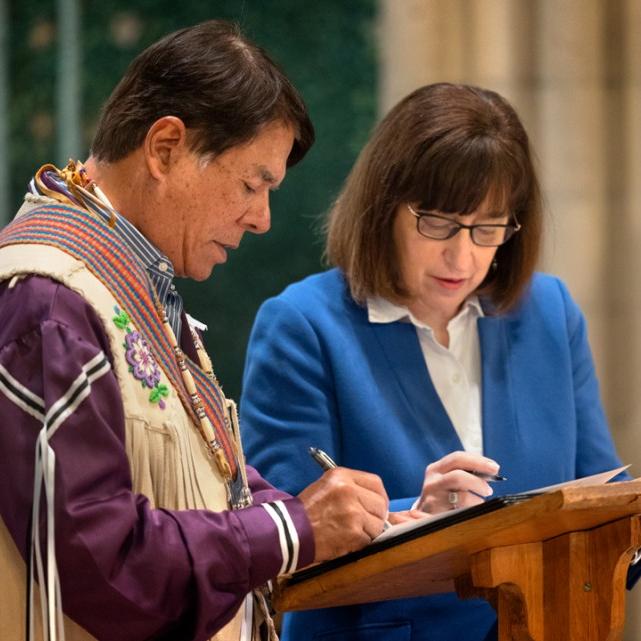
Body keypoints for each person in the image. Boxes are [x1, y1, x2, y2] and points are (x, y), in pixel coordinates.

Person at [0, 21, 391, 641]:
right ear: (165, 149)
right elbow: (104, 563)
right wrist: (292, 530)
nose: (262, 219)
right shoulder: (50, 302)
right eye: (252, 183)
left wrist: (379, 520)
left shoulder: (125, 280)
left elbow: (212, 483)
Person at [239, 83, 629, 641]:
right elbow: (284, 543)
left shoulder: (548, 311)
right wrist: (415, 516)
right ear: (384, 207)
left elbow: (601, 501)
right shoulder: (303, 325)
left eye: (488, 227)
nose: (462, 255)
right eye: (439, 223)